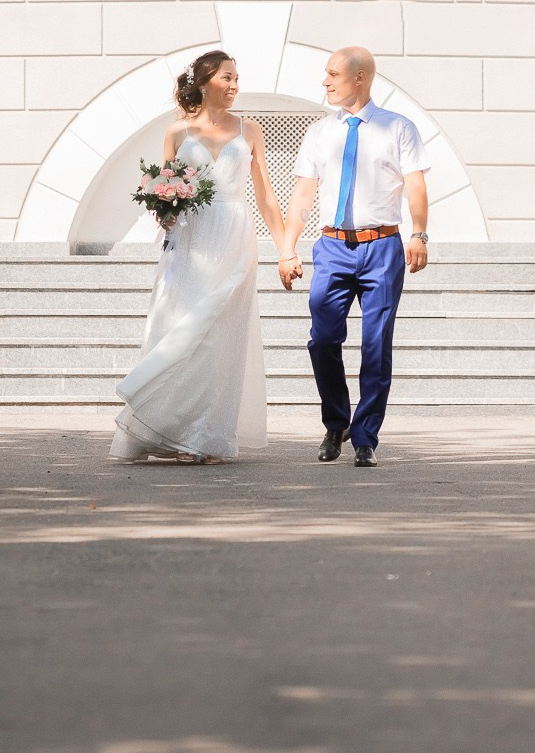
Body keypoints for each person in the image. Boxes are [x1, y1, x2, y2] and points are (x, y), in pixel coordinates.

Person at [110, 50, 285, 463]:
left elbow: (264, 195)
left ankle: (206, 436)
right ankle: (171, 430)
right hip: (191, 241)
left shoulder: (250, 130)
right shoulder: (177, 132)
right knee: (181, 327)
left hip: (234, 237)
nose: (235, 85)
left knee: (219, 336)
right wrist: (165, 209)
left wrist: (286, 249)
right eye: (227, 77)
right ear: (205, 82)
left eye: (237, 78)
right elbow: (163, 186)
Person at [277, 47, 429, 468]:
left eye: (333, 74)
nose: (325, 81)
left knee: (376, 344)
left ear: (360, 77)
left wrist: (419, 233)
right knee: (323, 338)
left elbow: (416, 184)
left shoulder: (398, 127)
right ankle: (336, 422)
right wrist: (288, 248)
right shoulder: (319, 132)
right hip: (332, 247)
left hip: (382, 246)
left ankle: (365, 437)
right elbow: (303, 194)